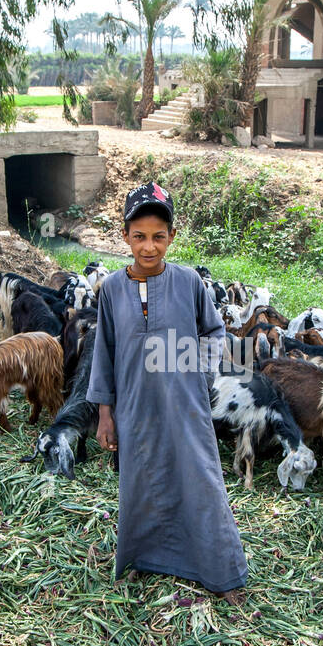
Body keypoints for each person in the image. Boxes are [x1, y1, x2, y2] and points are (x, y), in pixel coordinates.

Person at [87, 183, 248, 597]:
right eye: (139, 236)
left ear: (172, 237)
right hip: (135, 408)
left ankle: (220, 570)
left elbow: (213, 331)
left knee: (201, 478)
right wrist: (105, 414)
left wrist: (197, 376)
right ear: (124, 237)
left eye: (159, 236)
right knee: (141, 481)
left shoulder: (189, 282)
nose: (149, 247)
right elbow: (103, 352)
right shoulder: (111, 291)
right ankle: (145, 557)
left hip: (184, 406)